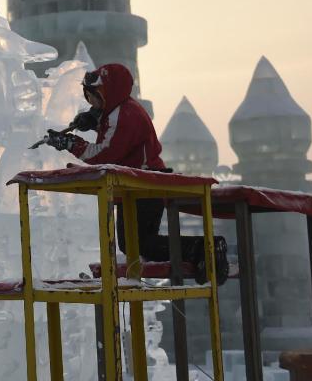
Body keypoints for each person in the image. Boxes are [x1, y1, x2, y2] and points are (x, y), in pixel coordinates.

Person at [44, 63, 228, 285]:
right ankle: (198, 250)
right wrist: (93, 120)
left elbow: (104, 155)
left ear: (108, 93)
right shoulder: (119, 110)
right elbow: (114, 137)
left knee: (140, 244)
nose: (90, 103)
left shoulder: (124, 116)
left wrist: (70, 143)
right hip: (135, 185)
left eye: (93, 97)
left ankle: (203, 248)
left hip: (145, 184)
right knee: (133, 245)